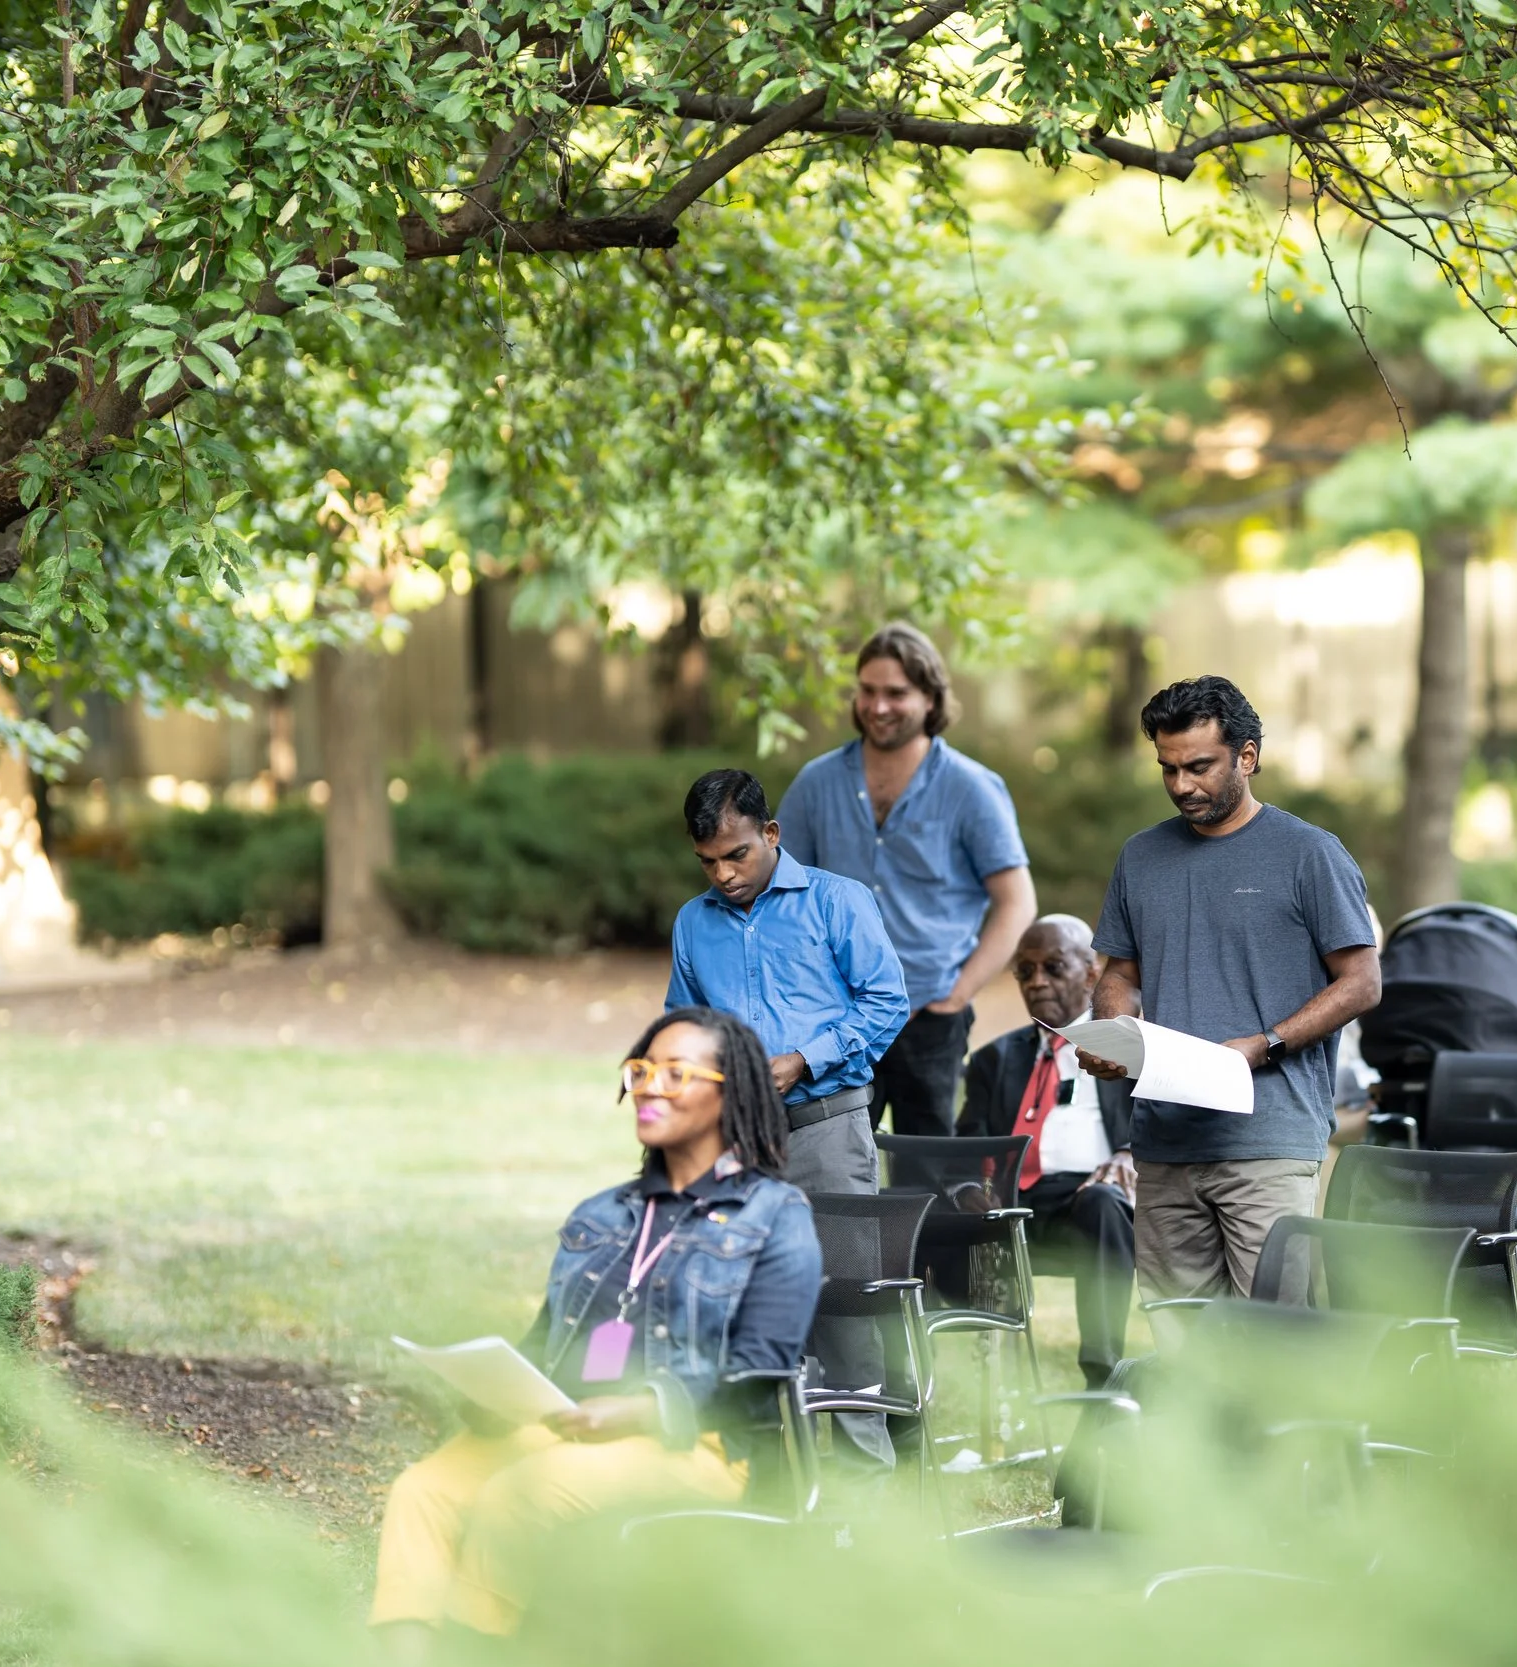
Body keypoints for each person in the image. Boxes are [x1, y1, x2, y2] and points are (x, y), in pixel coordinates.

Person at [371, 1009, 822, 1636]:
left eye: (675, 1072)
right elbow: (546, 1339)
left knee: (518, 1494)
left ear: (730, 1093)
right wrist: (493, 1390)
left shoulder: (776, 1216)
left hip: (694, 1444)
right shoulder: (604, 1213)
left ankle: (473, 1644)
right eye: (641, 1069)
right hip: (570, 1424)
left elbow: (760, 1373)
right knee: (424, 1490)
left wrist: (640, 1410)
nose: (648, 1085)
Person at [1080, 676, 1381, 1303]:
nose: (1182, 786)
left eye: (1199, 766)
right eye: (1168, 769)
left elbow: (1361, 983)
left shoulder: (1309, 855)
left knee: (1275, 1343)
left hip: (1268, 1141)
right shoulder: (1140, 856)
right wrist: (1111, 1031)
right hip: (1163, 1141)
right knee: (1184, 1349)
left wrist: (1264, 1045)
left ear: (1247, 756)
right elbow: (1120, 974)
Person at [665, 768, 906, 1465]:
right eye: (708, 860)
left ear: (770, 834)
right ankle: (764, 1482)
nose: (724, 873)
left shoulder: (837, 901)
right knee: (744, 1311)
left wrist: (803, 1059)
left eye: (737, 853)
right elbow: (682, 1023)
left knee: (843, 1315)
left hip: (827, 1130)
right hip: (737, 1146)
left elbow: (887, 1002)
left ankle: (868, 1488)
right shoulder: (693, 922)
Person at [779, 624, 1036, 1138]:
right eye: (868, 691)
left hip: (930, 1018)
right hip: (836, 1021)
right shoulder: (817, 782)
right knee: (832, 1169)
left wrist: (957, 996)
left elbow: (1017, 902)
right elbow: (781, 895)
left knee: (931, 1178)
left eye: (896, 693)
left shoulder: (971, 788)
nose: (877, 706)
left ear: (930, 697)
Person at [957, 914, 1137, 1387]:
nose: (1037, 982)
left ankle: (1102, 1377)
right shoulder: (993, 1060)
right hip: (1011, 1206)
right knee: (919, 1213)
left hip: (1088, 1203)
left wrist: (1128, 1154)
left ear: (1092, 974)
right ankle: (905, 1401)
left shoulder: (1127, 1047)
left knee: (1104, 1201)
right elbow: (963, 1147)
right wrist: (969, 1186)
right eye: (1025, 970)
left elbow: (1159, 1125)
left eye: (1053, 968)